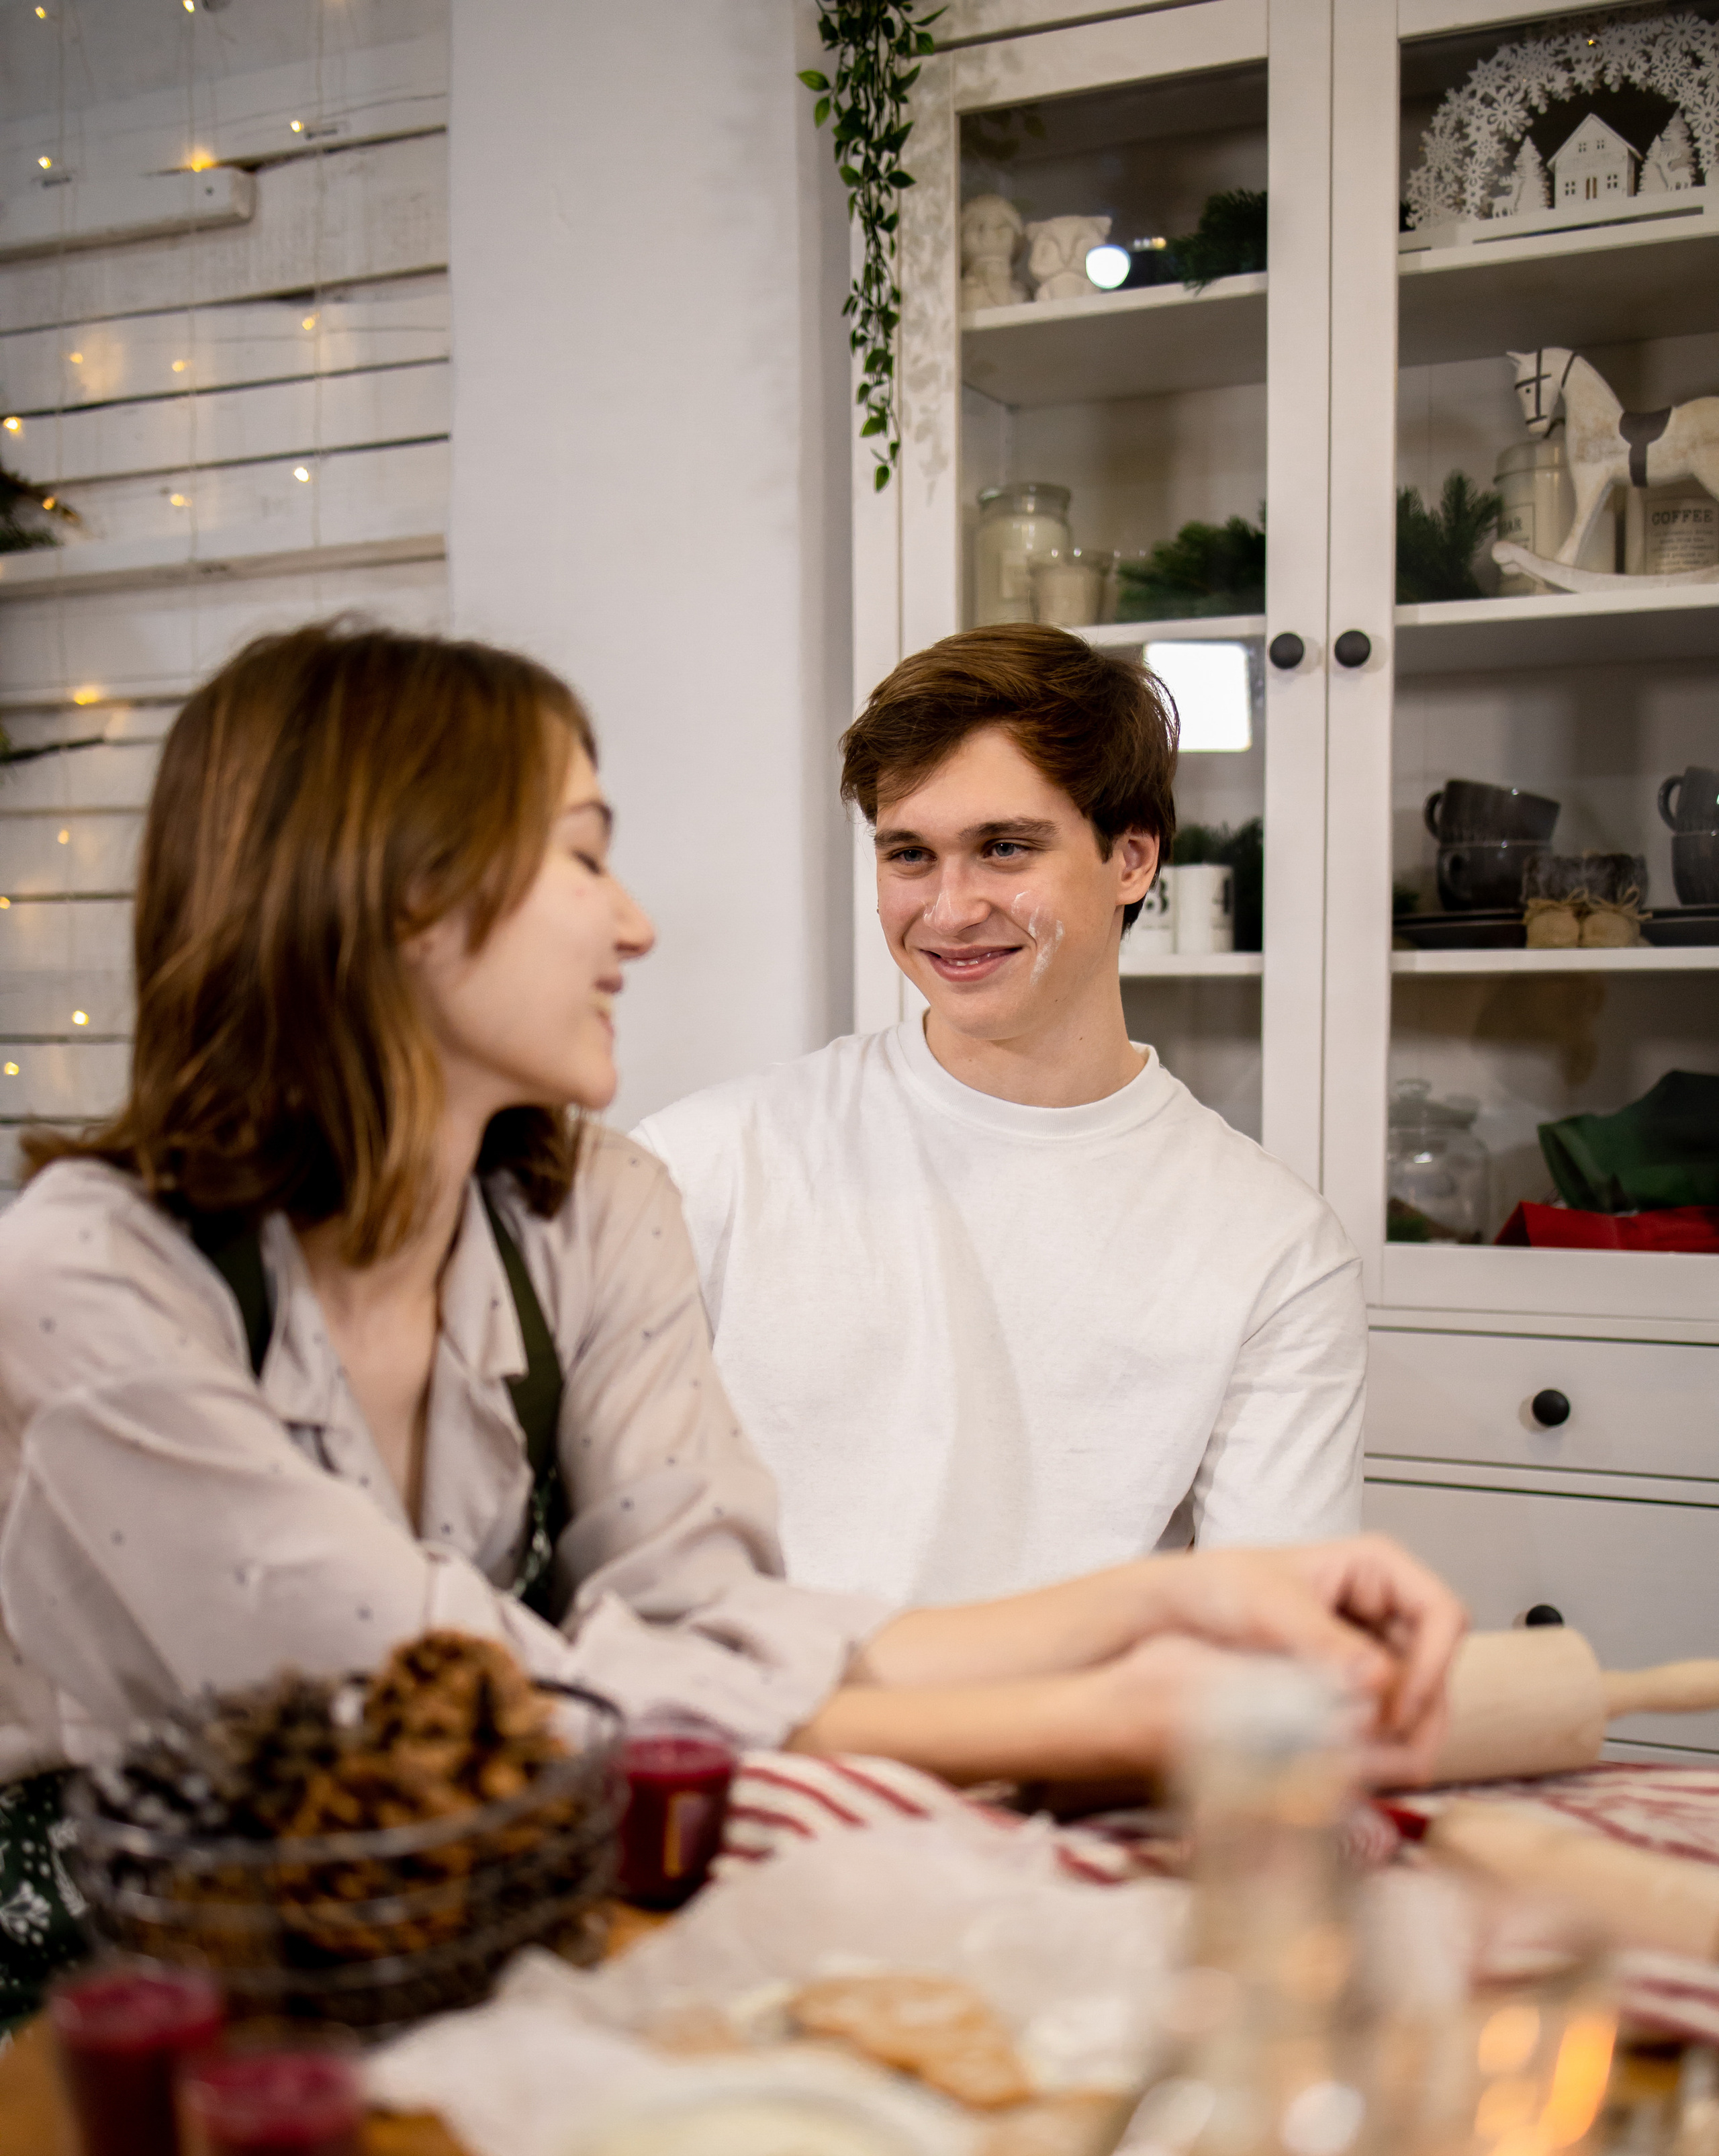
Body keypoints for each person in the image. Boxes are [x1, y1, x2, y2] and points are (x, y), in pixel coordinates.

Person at [0, 624, 1460, 2018]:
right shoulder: (95, 1280)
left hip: (476, 1908)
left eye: (1002, 847)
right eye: (581, 856)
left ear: (1132, 860)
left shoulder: (588, 1207)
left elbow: (708, 1626)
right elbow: (470, 1688)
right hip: (114, 2004)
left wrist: (1163, 1610)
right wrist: (1118, 1704)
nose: (636, 921)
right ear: (391, 896)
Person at [635, 625, 1367, 1609]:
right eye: (909, 855)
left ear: (1133, 860)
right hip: (765, 1743)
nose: (948, 909)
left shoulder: (1272, 1245)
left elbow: (1276, 1644)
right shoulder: (706, 1165)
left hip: (1073, 1756)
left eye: (1005, 848)